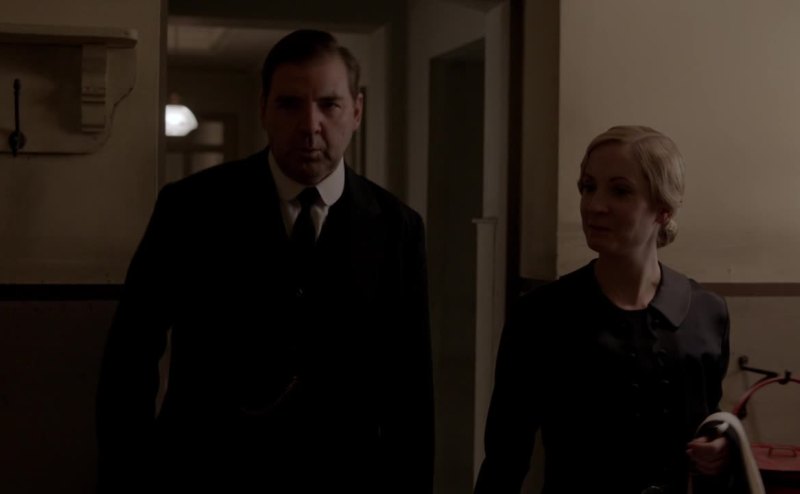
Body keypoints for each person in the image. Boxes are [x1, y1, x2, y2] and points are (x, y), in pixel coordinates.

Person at [96, 29, 434, 494]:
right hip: (207, 470)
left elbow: (410, 388)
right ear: (264, 109)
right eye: (290, 104)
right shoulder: (191, 208)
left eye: (329, 105)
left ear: (356, 111)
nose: (310, 126)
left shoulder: (398, 227)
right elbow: (131, 353)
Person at [474, 125, 731, 493]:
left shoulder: (706, 313)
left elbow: (708, 421)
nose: (594, 205)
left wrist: (720, 448)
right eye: (588, 187)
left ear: (662, 210)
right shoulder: (542, 315)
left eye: (620, 191)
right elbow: (505, 456)